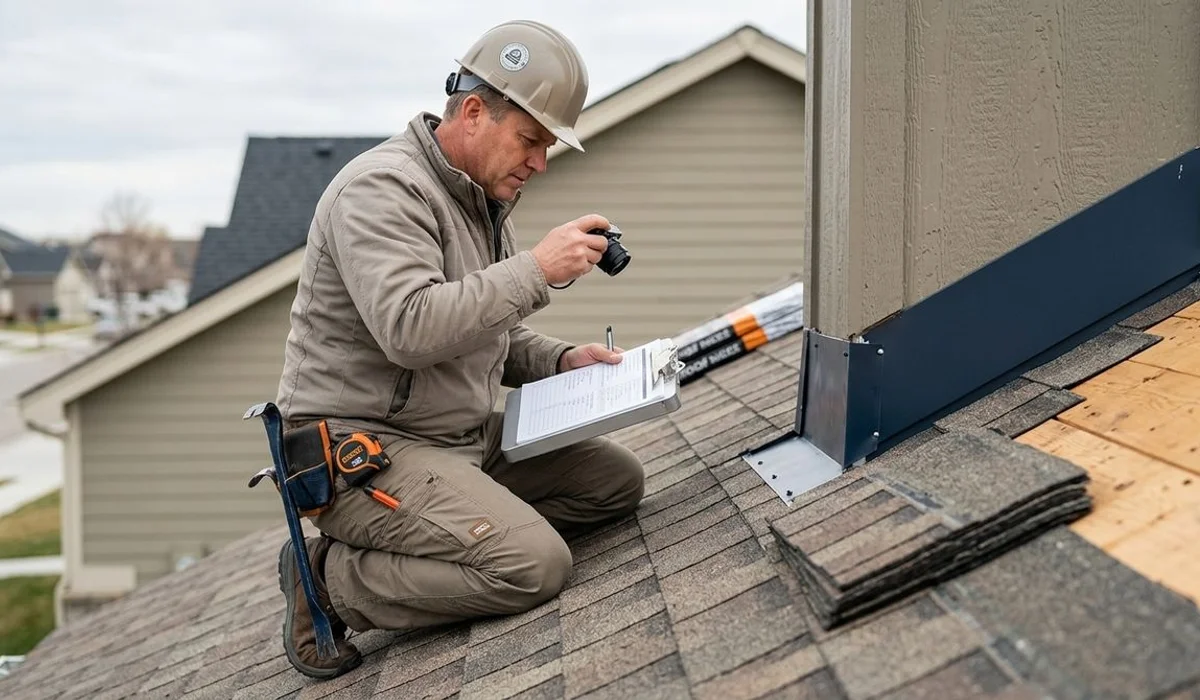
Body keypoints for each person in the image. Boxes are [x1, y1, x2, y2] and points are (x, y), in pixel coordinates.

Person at [271, 20, 646, 679]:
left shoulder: (478, 202)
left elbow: (482, 335)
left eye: (548, 145)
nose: (540, 162)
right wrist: (537, 268)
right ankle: (330, 578)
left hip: (455, 438)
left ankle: (455, 531)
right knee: (534, 565)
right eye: (530, 140)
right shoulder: (382, 191)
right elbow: (413, 328)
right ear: (473, 112)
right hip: (364, 452)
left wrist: (561, 362)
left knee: (613, 483)